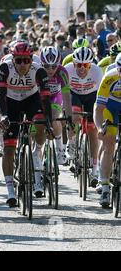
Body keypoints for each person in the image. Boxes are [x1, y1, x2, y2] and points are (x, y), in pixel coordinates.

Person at [0, 41, 52, 206]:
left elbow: (45, 99)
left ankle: (36, 154)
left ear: (31, 59)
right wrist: (4, 115)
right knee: (8, 148)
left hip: (31, 100)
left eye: (26, 60)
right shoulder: (5, 68)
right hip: (11, 102)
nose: (23, 64)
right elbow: (1, 94)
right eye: (19, 60)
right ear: (13, 59)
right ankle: (10, 190)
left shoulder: (39, 70)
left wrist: (48, 122)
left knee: (41, 124)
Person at [65, 47, 103, 186]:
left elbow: (101, 96)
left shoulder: (97, 71)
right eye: (78, 65)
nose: (82, 68)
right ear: (73, 64)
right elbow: (63, 93)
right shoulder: (67, 69)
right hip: (73, 95)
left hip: (91, 96)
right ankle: (72, 142)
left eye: (86, 65)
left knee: (93, 129)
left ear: (90, 64)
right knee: (74, 116)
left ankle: (95, 167)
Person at [94, 54, 121, 207]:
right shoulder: (109, 78)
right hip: (109, 107)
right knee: (108, 143)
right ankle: (104, 186)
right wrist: (99, 128)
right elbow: (98, 109)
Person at [39, 47, 72, 166]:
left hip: (55, 97)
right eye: (46, 66)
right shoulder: (37, 69)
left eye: (54, 66)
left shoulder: (62, 72)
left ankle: (60, 149)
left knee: (53, 117)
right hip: (40, 97)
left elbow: (67, 96)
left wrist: (69, 117)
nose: (50, 69)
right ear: (41, 63)